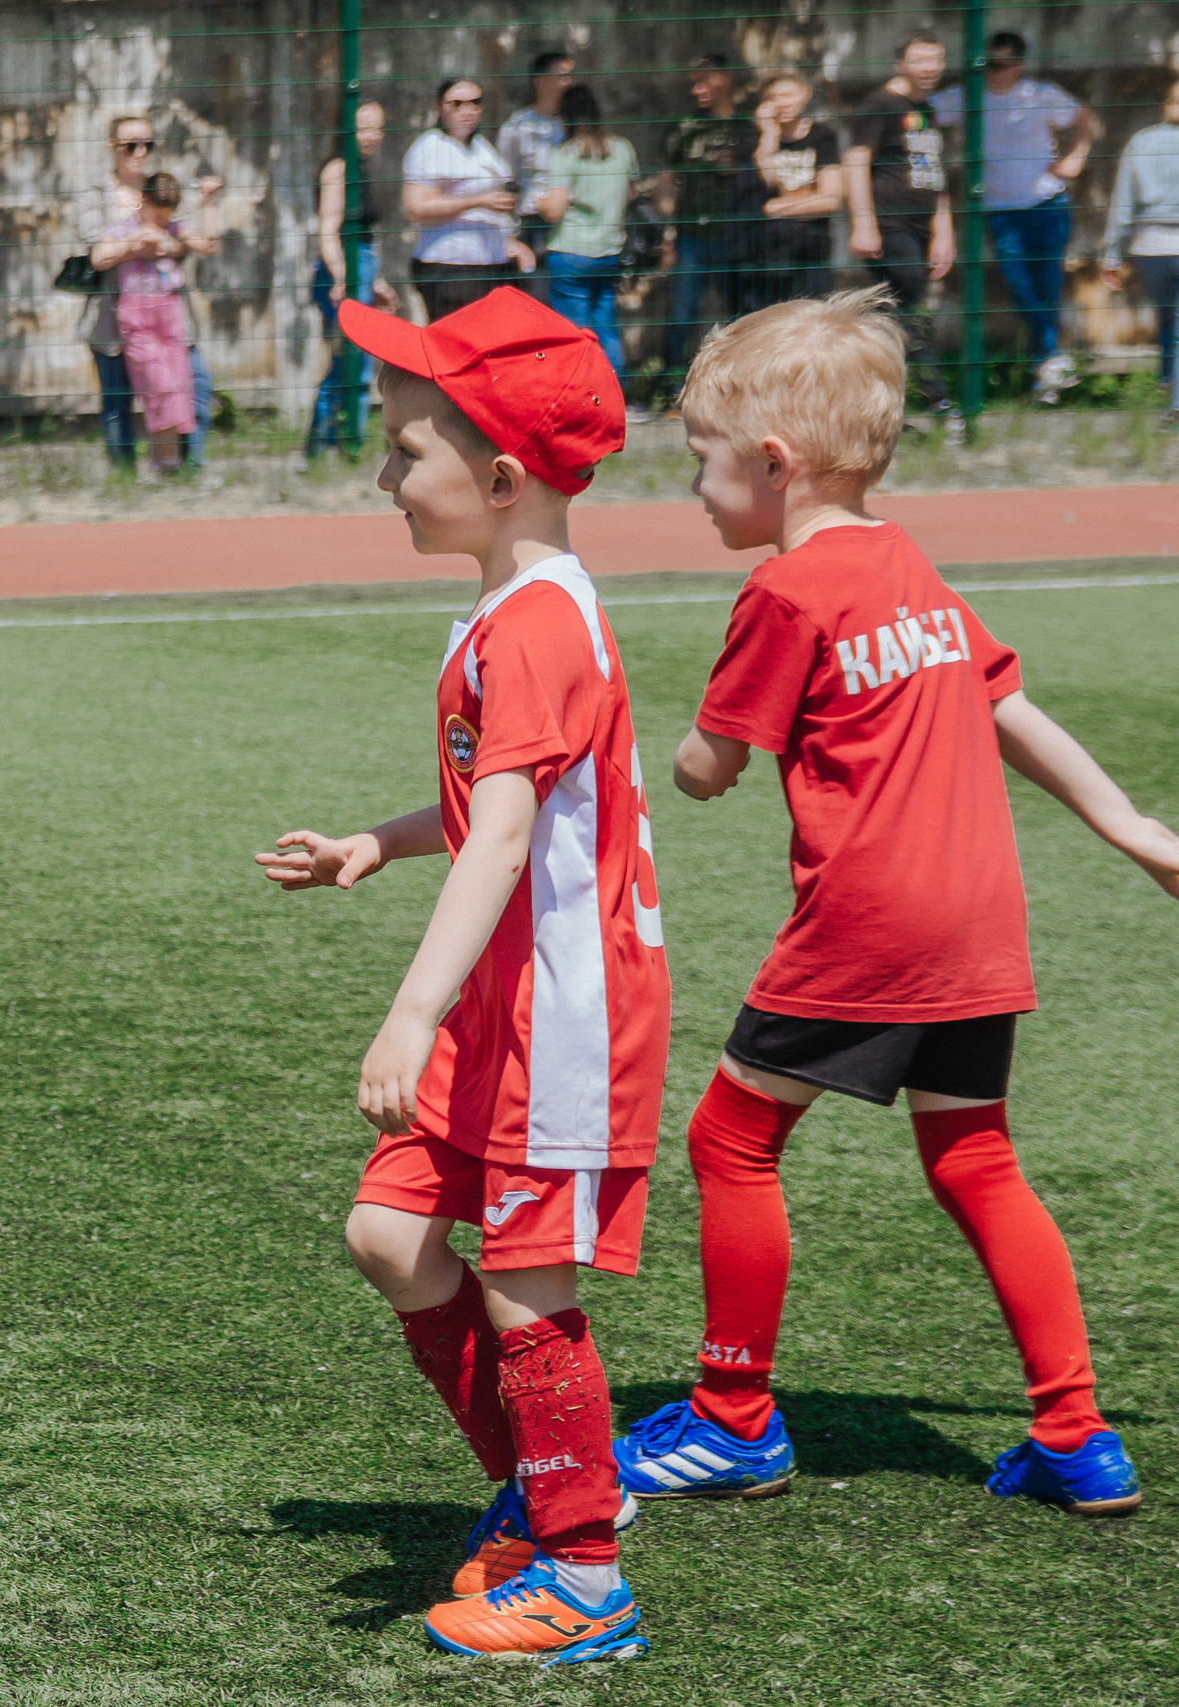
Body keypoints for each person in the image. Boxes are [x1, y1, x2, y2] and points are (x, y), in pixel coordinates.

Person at [616, 288, 1176, 1519]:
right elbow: (1004, 701)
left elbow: (707, 774)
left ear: (773, 464)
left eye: (701, 465)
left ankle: (730, 1418)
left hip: (868, 926)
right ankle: (1076, 1439)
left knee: (729, 1140)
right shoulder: (906, 562)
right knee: (974, 1154)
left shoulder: (783, 593)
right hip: (980, 918)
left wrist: (686, 748)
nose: (696, 491)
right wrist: (1133, 828)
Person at [259, 288, 664, 1665]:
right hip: (502, 1005)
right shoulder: (512, 601)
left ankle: (586, 1570)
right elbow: (505, 802)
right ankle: (538, 1488)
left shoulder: (538, 620)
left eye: (405, 451)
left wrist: (410, 1003)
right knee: (390, 1236)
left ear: (496, 480)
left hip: (559, 1016)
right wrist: (380, 838)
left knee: (524, 1286)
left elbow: (506, 831)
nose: (385, 476)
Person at [931, 31, 1097, 403]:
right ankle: (1052, 358)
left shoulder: (1040, 95)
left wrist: (1076, 158)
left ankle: (1046, 372)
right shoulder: (966, 95)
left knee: (1048, 285)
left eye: (1002, 65)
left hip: (1046, 203)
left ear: (1019, 64)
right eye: (988, 63)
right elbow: (920, 110)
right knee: (1020, 286)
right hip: (1000, 209)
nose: (993, 71)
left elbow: (1085, 119)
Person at [75, 115, 220, 471]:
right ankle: (123, 474)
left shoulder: (162, 188)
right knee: (117, 399)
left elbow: (189, 241)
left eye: (147, 145)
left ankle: (188, 466)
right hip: (112, 316)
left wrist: (170, 237)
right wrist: (141, 244)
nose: (140, 152)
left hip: (168, 315)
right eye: (130, 145)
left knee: (194, 384)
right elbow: (97, 251)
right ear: (113, 148)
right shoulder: (97, 195)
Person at [844, 33, 957, 422]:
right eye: (921, 60)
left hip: (920, 227)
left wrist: (944, 231)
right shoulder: (879, 105)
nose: (930, 68)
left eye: (936, 59)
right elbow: (856, 161)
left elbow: (935, 174)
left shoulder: (927, 108)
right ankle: (937, 399)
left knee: (900, 312)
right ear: (900, 65)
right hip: (889, 225)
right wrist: (863, 224)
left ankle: (874, 402)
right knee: (911, 307)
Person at [92, 173, 206, 476]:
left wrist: (207, 206)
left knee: (179, 388)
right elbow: (99, 257)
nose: (162, 220)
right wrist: (135, 243)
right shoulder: (124, 227)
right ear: (145, 202)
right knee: (158, 386)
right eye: (157, 214)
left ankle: (165, 463)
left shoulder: (175, 227)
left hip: (169, 312)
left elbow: (206, 244)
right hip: (137, 314)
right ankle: (161, 462)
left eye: (167, 215)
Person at [307, 99, 401, 461]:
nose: (372, 136)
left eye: (378, 128)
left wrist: (373, 278)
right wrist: (342, 276)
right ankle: (326, 446)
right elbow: (328, 230)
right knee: (347, 362)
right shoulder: (338, 169)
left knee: (356, 362)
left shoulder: (360, 168)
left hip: (360, 267)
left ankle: (343, 444)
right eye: (364, 128)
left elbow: (359, 234)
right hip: (341, 271)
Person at [654, 55, 757, 376]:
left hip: (734, 238)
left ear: (725, 79)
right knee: (682, 315)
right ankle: (673, 386)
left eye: (704, 81)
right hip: (691, 239)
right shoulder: (684, 128)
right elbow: (665, 182)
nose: (698, 90)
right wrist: (669, 226)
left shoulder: (747, 127)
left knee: (739, 314)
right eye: (693, 84)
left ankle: (738, 384)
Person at [403, 79, 533, 321]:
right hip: (450, 266)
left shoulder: (480, 146)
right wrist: (476, 201)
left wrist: (511, 242)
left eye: (475, 103)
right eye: (457, 104)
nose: (467, 111)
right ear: (439, 107)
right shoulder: (429, 146)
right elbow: (416, 208)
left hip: (491, 265)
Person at [539, 85, 637, 394]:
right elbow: (631, 193)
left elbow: (554, 210)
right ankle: (615, 395)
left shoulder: (564, 154)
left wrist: (539, 203)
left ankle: (580, 396)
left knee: (574, 330)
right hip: (609, 250)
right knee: (606, 326)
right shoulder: (622, 148)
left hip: (570, 251)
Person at [1103, 76, 1179, 418]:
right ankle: (1175, 401)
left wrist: (1112, 254)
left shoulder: (1141, 142)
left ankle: (1168, 381)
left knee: (1167, 320)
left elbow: (1122, 206)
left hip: (1151, 247)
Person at [743, 71, 844, 311]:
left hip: (810, 248)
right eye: (773, 97)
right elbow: (765, 183)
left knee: (811, 318)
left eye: (788, 95)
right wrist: (769, 133)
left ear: (805, 95)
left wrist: (781, 207)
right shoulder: (754, 139)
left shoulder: (823, 136)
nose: (782, 103)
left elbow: (831, 199)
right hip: (766, 250)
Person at [498, 51, 576, 268]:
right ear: (541, 82)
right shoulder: (517, 127)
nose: (569, 83)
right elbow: (505, 181)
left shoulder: (576, 125)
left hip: (574, 226)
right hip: (533, 224)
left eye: (571, 76)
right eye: (562, 76)